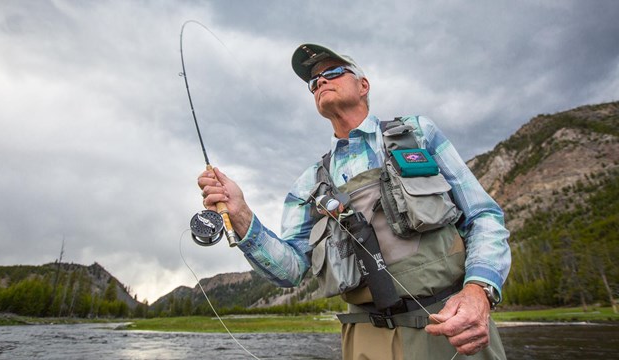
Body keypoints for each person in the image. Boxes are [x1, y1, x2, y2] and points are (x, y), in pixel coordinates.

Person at [198, 43, 510, 359]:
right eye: (313, 81)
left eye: (332, 72)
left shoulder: (417, 133)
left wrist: (478, 291)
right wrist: (242, 216)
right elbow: (290, 270)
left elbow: (482, 215)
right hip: (362, 340)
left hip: (450, 328)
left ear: (363, 85)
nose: (320, 81)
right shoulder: (307, 184)